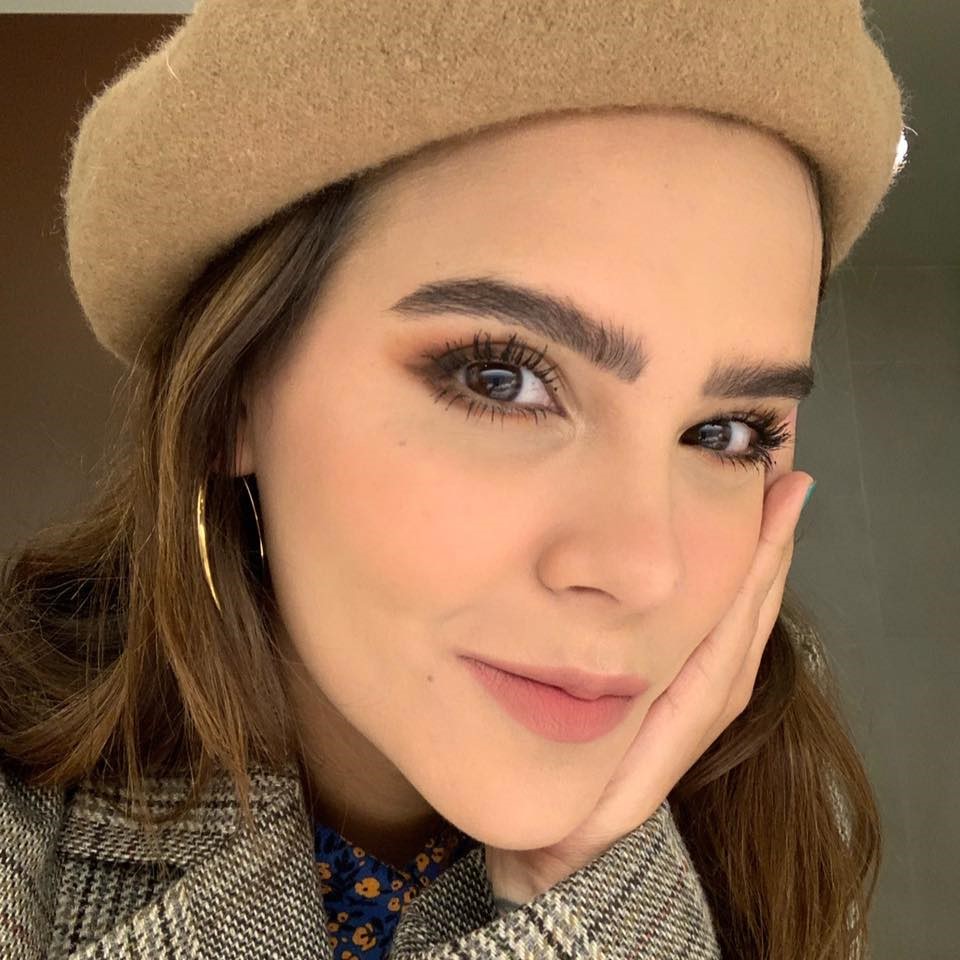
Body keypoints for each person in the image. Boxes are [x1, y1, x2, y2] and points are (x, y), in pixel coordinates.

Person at [0, 1, 907, 958]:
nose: (644, 568)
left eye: (727, 433)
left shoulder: (784, 829)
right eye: (502, 380)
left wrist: (595, 884)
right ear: (233, 395)